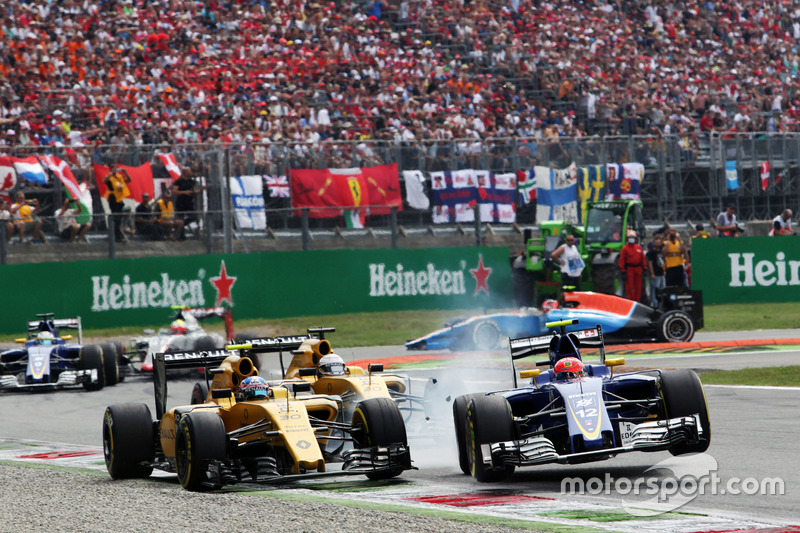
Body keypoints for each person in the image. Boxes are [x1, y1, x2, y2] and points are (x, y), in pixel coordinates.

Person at [103, 163, 131, 242]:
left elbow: (129, 180)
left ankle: (118, 235)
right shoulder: (109, 177)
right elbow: (104, 181)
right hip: (113, 199)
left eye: (115, 167)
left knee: (120, 218)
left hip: (119, 199)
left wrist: (125, 172)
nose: (114, 169)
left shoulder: (119, 177)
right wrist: (110, 174)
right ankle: (116, 236)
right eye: (112, 168)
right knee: (116, 218)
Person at [618, 230, 646, 302]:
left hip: (638, 269)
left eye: (633, 237)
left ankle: (637, 301)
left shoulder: (639, 248)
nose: (631, 238)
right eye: (630, 237)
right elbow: (622, 260)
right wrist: (623, 271)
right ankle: (631, 301)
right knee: (630, 287)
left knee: (638, 287)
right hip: (629, 269)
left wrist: (645, 268)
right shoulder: (625, 248)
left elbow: (642, 258)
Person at [646, 235, 666, 307]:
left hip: (661, 273)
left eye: (659, 242)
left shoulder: (661, 252)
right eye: (656, 242)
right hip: (656, 274)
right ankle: (655, 304)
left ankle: (662, 303)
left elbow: (663, 261)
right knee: (655, 289)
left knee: (663, 289)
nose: (658, 244)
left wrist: (664, 270)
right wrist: (652, 273)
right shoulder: (651, 253)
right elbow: (650, 264)